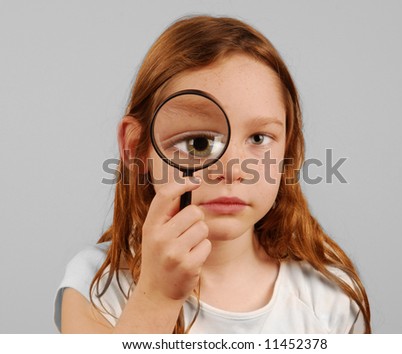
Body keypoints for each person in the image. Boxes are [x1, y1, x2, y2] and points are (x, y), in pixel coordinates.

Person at [54, 15, 371, 334]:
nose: (233, 170)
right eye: (199, 142)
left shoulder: (329, 297)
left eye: (259, 139)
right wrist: (157, 297)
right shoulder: (97, 284)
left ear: (288, 151)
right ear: (137, 148)